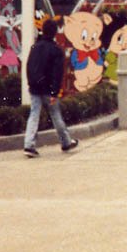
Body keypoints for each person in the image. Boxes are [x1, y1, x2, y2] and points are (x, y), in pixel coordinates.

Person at [23, 18, 77, 157]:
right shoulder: (56, 50)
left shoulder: (35, 47)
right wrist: (54, 92)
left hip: (35, 87)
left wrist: (31, 83)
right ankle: (66, 142)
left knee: (34, 114)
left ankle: (29, 145)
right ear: (55, 32)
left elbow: (29, 66)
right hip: (48, 89)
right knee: (55, 114)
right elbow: (57, 73)